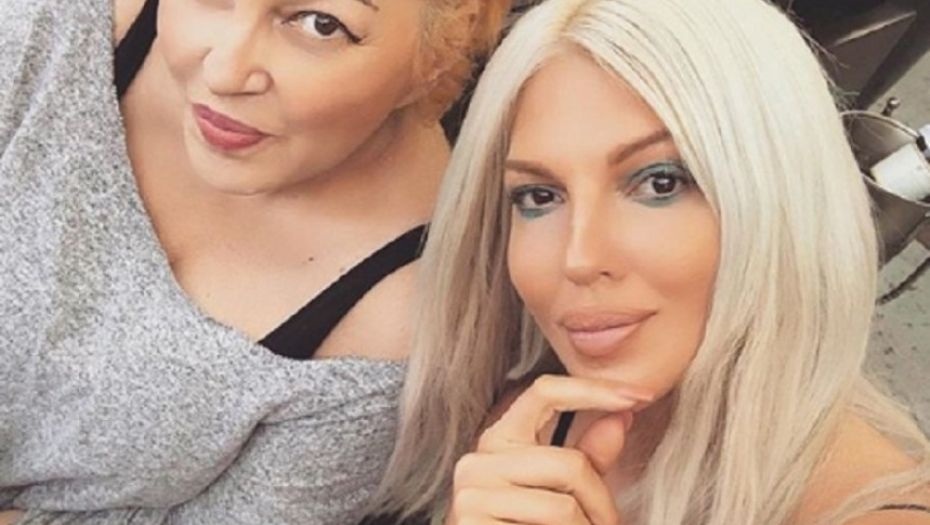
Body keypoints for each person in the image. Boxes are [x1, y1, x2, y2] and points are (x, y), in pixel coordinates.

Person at [371, 0, 930, 523]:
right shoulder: (527, 424)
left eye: (660, 183)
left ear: (780, 201)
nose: (579, 258)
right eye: (539, 196)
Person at [0, 0, 509, 523]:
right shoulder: (60, 25)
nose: (225, 71)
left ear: (438, 53)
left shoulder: (400, 317)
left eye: (321, 24)